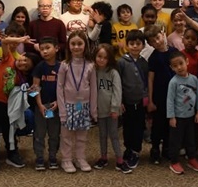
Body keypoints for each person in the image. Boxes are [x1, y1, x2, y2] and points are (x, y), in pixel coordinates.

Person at [0, 22, 34, 175]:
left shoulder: (21, 64)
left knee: (9, 129)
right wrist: (20, 40)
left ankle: (12, 153)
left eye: (25, 64)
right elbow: (4, 42)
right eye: (13, 37)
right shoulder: (8, 57)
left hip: (9, 104)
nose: (23, 63)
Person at [56, 30, 98, 173]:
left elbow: (93, 88)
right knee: (66, 136)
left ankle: (80, 158)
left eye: (79, 44)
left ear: (85, 45)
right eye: (73, 44)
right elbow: (59, 87)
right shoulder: (64, 65)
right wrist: (62, 110)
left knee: (82, 135)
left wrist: (93, 110)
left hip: (83, 106)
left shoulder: (90, 65)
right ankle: (66, 159)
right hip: (68, 106)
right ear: (68, 46)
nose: (76, 47)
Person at [93, 44, 131, 174]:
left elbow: (117, 91)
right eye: (99, 56)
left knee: (114, 135)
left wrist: (115, 108)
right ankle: (103, 157)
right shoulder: (93, 71)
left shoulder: (113, 73)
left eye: (105, 57)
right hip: (100, 110)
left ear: (109, 59)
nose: (101, 60)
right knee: (102, 135)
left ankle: (120, 160)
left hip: (112, 111)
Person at [144, 25, 176, 166]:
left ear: (163, 34)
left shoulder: (174, 52)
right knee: (158, 124)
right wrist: (150, 100)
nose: (157, 42)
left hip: (173, 96)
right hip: (159, 96)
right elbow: (150, 79)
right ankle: (155, 149)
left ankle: (167, 148)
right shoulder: (153, 57)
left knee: (170, 123)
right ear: (150, 44)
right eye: (153, 41)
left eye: (157, 38)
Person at [167, 51, 198, 174]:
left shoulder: (194, 79)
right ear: (171, 68)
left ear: (186, 62)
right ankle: (174, 161)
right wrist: (171, 117)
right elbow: (170, 100)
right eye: (175, 66)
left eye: (181, 63)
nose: (179, 67)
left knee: (191, 139)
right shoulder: (173, 82)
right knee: (176, 141)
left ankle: (191, 158)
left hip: (191, 116)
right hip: (178, 117)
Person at [118, 29, 148, 169]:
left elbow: (147, 82)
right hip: (127, 102)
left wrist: (147, 98)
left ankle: (136, 151)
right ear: (127, 45)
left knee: (138, 127)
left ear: (143, 45)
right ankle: (128, 148)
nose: (135, 46)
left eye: (138, 43)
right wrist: (120, 101)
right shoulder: (121, 62)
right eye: (132, 43)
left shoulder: (144, 63)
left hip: (140, 102)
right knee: (127, 127)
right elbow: (118, 83)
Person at [32, 37, 61, 171]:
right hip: (41, 106)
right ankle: (39, 158)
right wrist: (39, 105)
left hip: (55, 106)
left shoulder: (61, 67)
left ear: (56, 48)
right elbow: (35, 88)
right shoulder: (39, 67)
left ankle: (53, 157)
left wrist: (58, 102)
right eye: (42, 49)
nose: (44, 51)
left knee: (54, 133)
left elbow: (65, 87)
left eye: (47, 48)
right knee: (39, 133)